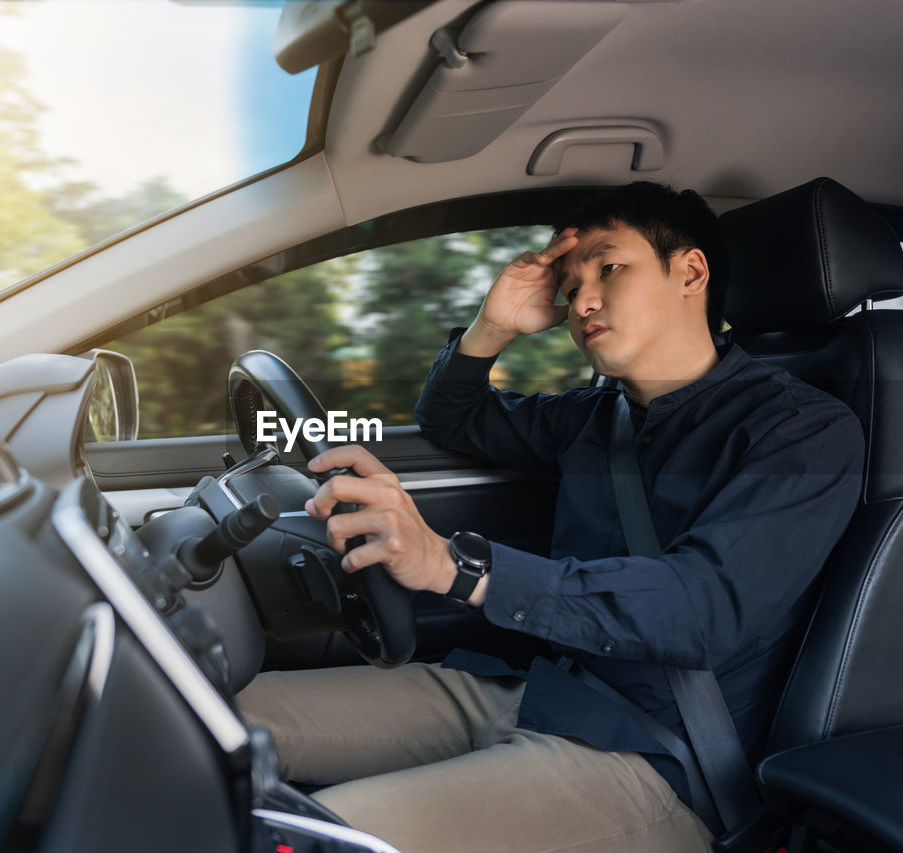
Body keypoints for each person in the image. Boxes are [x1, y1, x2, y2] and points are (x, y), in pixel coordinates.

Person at [237, 182, 865, 852]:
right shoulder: (595, 418)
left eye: (609, 267)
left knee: (307, 839)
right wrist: (492, 327)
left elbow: (699, 607)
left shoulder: (802, 430)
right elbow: (454, 417)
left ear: (690, 270)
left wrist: (455, 566)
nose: (582, 300)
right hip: (536, 691)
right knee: (209, 718)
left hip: (657, 762)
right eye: (571, 286)